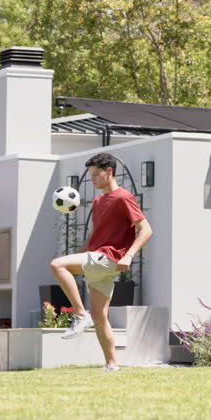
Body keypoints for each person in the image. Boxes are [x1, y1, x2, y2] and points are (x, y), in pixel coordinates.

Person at [50, 153, 152, 372]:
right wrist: (79, 252)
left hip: (109, 257)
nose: (93, 179)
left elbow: (146, 229)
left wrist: (129, 255)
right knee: (99, 315)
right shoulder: (98, 201)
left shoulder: (123, 197)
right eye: (91, 175)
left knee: (57, 265)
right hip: (98, 259)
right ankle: (112, 364)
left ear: (110, 172)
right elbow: (96, 233)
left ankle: (79, 314)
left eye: (97, 174)